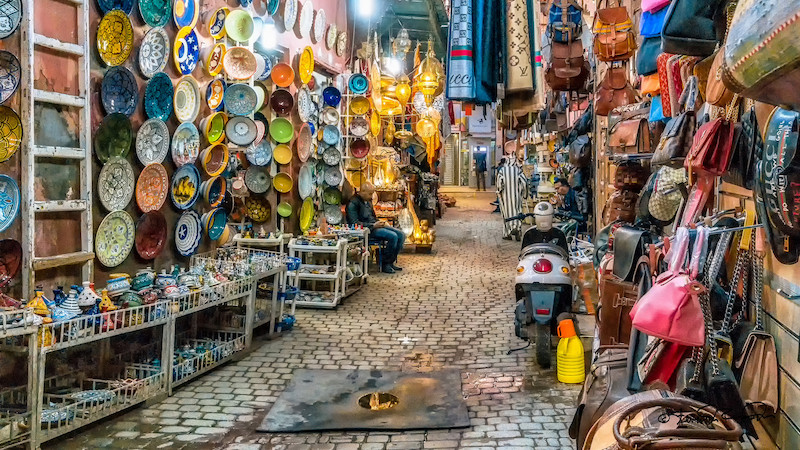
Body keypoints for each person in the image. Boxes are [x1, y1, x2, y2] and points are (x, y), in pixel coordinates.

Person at [346, 182, 405, 273]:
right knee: (393, 236)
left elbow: (372, 216)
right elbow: (354, 223)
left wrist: (380, 222)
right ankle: (385, 264)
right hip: (367, 230)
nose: (372, 196)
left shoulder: (368, 202)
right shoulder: (353, 203)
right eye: (370, 193)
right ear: (362, 191)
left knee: (401, 235)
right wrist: (373, 225)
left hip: (374, 226)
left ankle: (390, 261)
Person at [496, 157, 528, 241]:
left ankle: (507, 233)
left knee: (506, 214)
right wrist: (525, 194)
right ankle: (517, 229)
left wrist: (499, 191)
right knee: (518, 211)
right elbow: (524, 182)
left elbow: (499, 183)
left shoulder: (502, 170)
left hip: (505, 196)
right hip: (517, 196)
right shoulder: (518, 170)